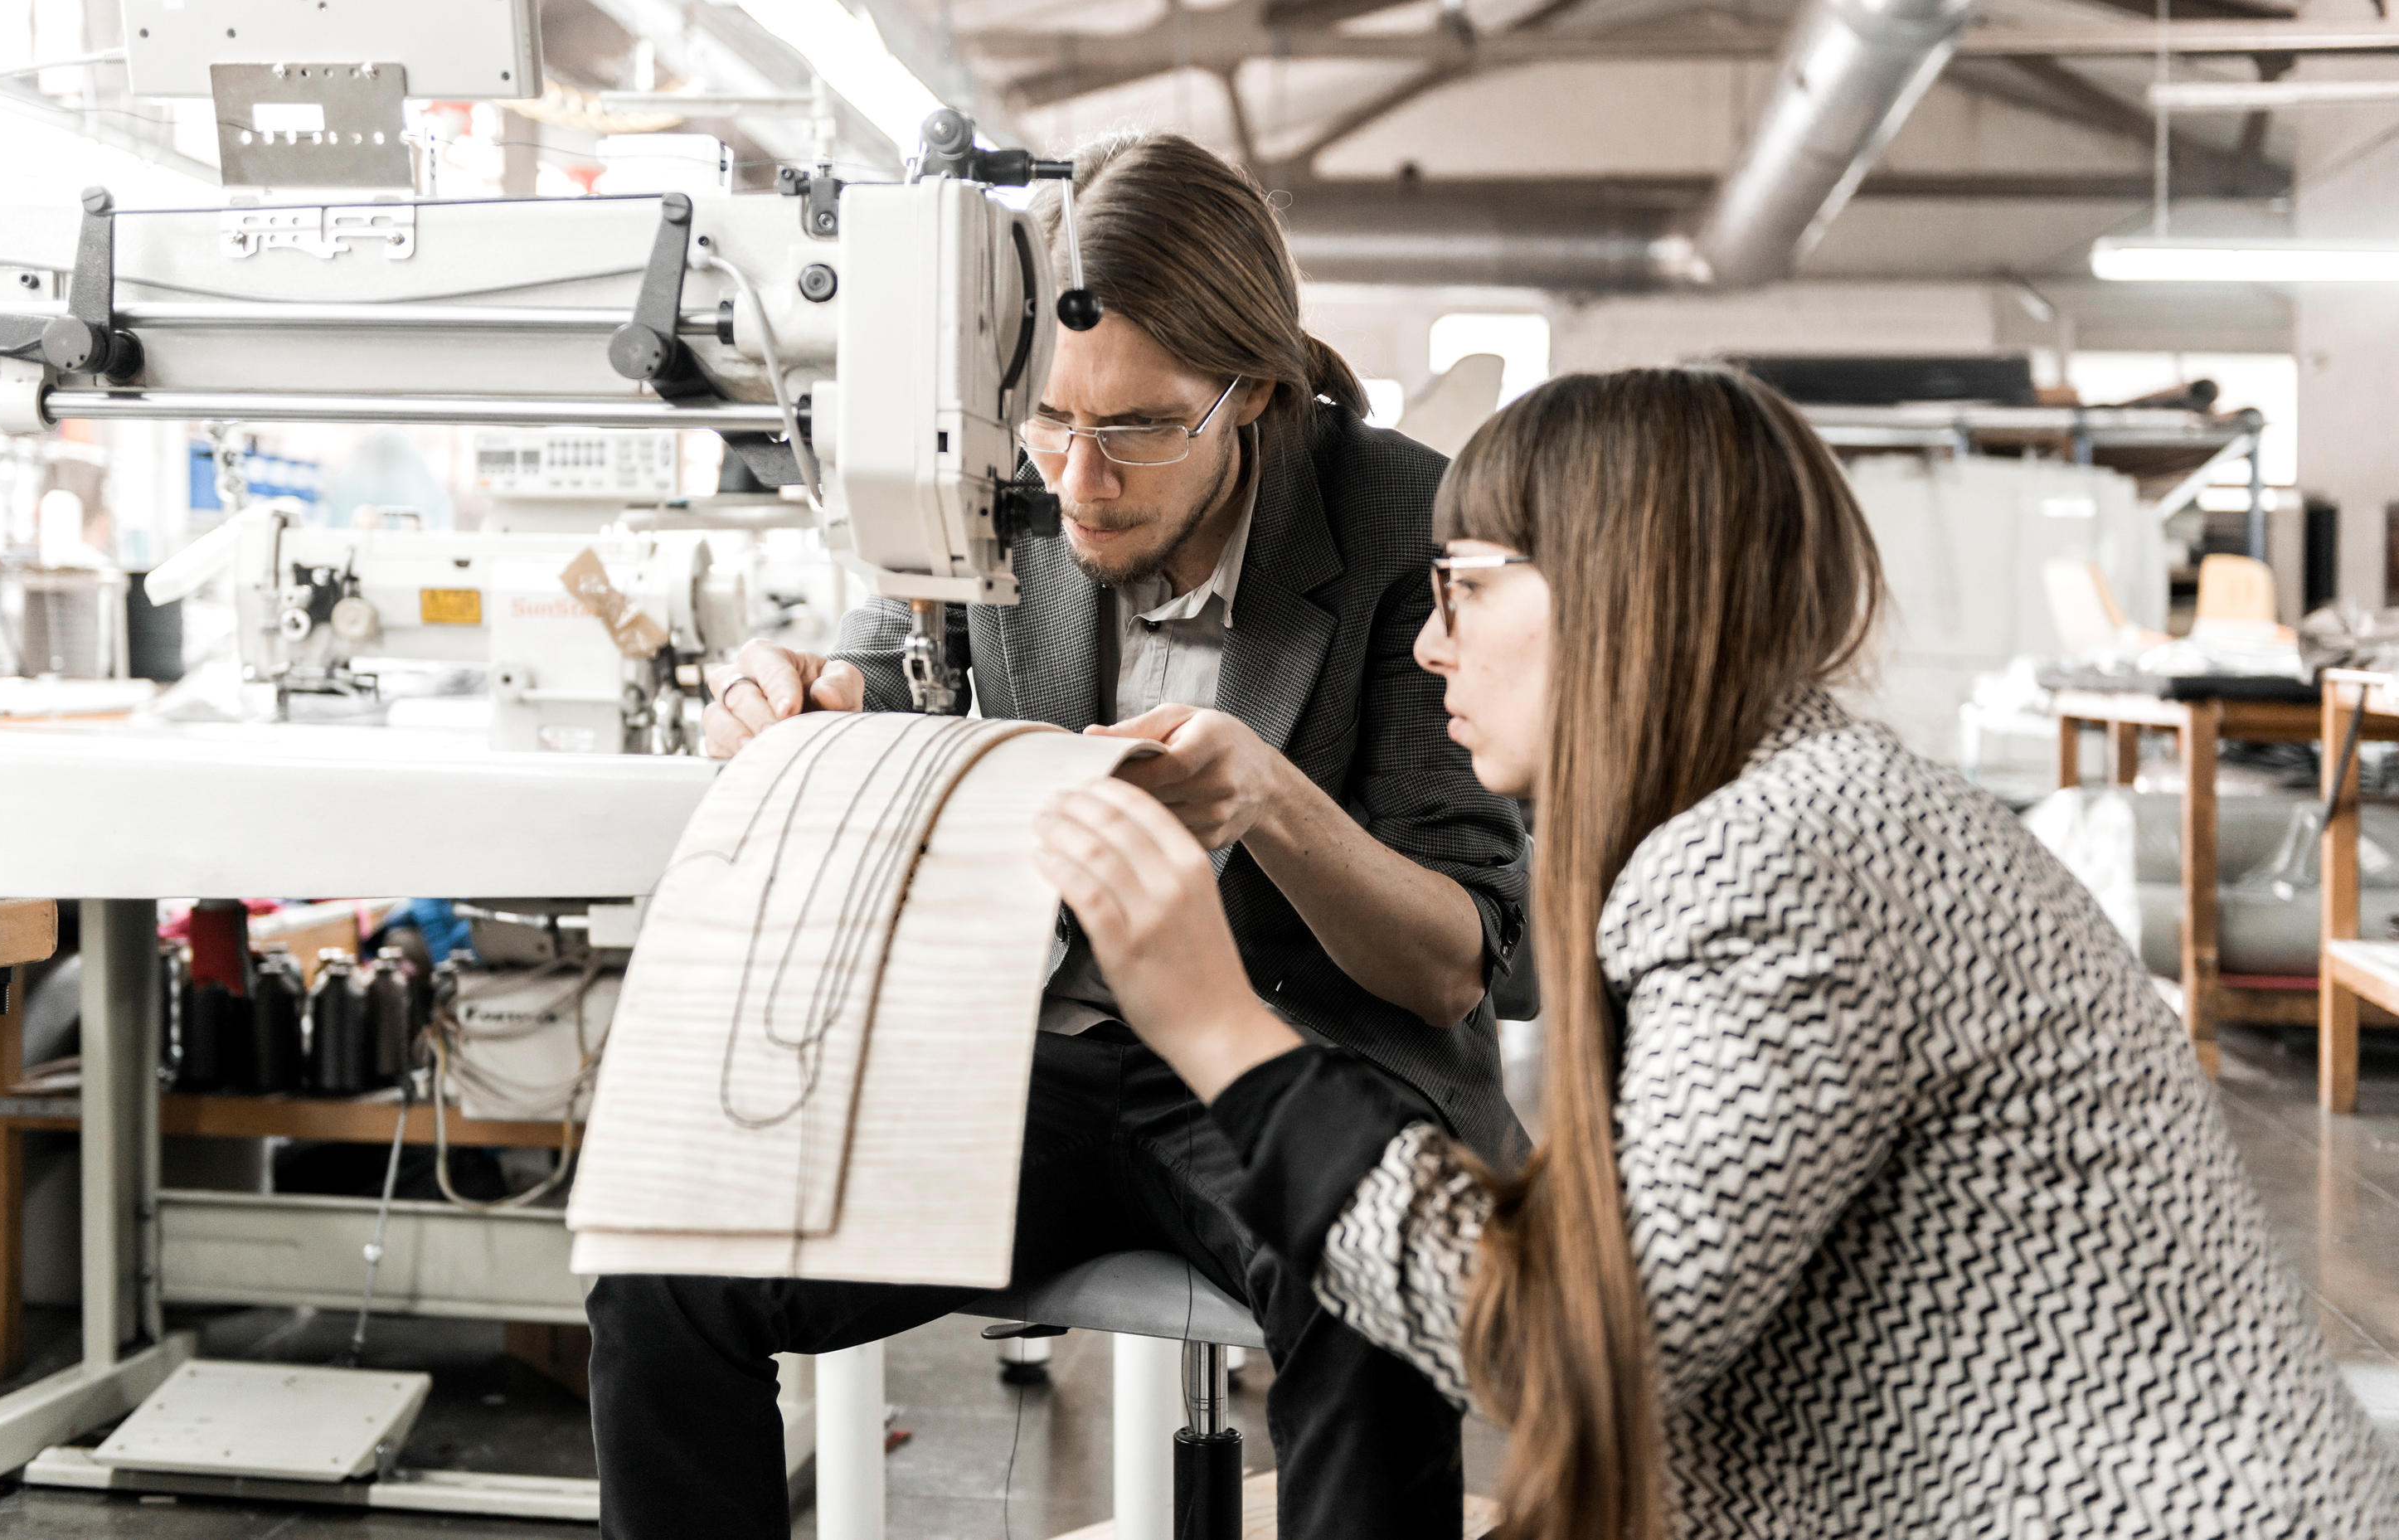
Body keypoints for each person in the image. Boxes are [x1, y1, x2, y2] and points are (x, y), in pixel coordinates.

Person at [1035, 367, 2399, 1540]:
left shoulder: (1781, 857)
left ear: (1617, 594)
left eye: (1462, 589)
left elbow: (1583, 1358)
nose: (1435, 644)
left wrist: (1222, 1030)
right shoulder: (1798, 809)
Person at [585, 132, 1527, 1540]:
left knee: (1371, 1295)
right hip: (1038, 1058)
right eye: (1049, 421)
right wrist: (801, 701)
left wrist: (1270, 798)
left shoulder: (1403, 521)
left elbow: (1451, 964)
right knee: (663, 1264)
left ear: (1256, 393)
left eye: (1138, 428)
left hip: (1295, 1056)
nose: (1079, 479)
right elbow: (878, 664)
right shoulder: (988, 470)